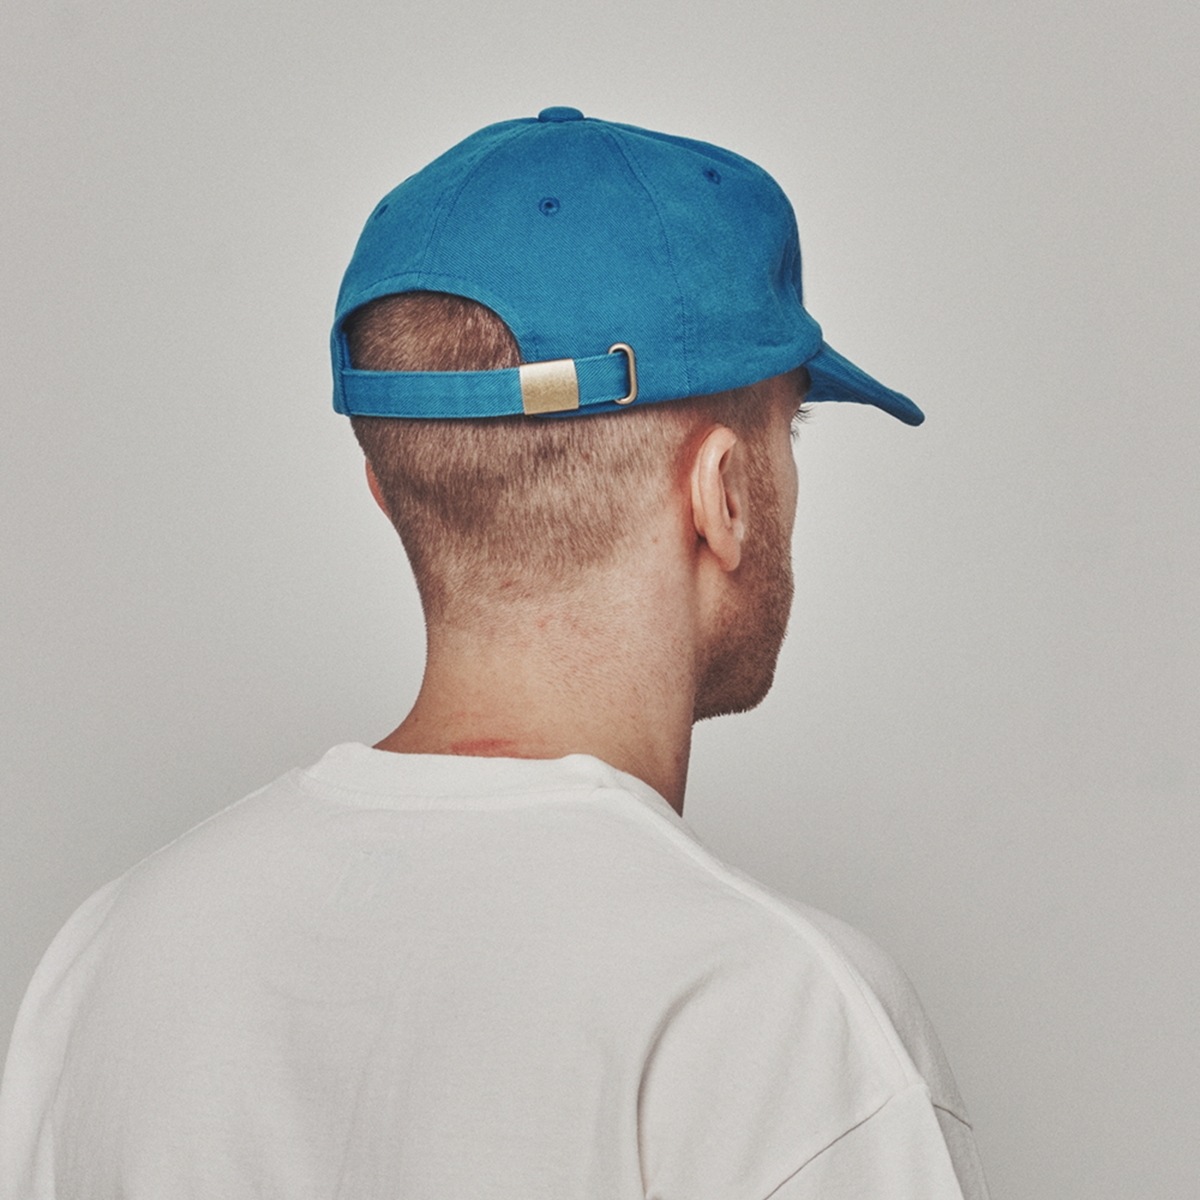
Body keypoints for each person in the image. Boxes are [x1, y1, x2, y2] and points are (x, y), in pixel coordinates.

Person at [0, 107, 989, 1199]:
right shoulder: (783, 1024)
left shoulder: (107, 964)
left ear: (387, 491)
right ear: (721, 494)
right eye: (787, 429)